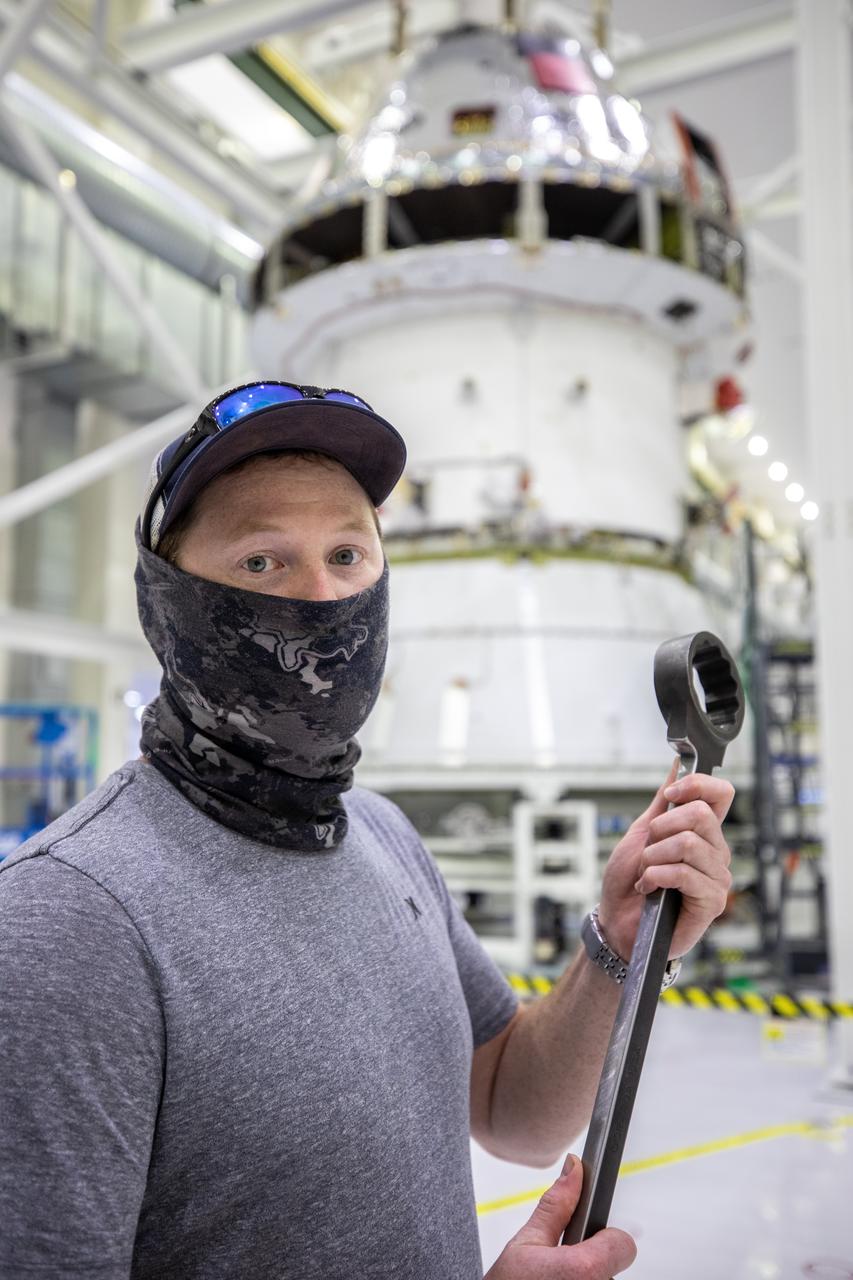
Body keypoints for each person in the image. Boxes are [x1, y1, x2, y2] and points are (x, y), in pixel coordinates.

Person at [0, 381, 735, 1280]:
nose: (320, 599)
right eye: (262, 562)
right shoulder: (66, 925)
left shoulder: (379, 836)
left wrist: (615, 947)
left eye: (347, 554)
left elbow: (513, 1111)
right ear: (164, 602)